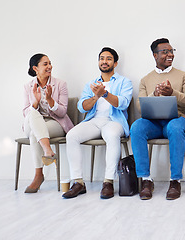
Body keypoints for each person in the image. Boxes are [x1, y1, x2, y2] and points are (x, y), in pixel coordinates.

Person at [130, 38, 185, 200]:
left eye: (171, 51)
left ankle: (175, 181)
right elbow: (139, 107)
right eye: (165, 51)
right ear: (154, 55)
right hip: (153, 123)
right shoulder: (145, 80)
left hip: (178, 120)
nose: (170, 55)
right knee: (136, 127)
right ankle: (146, 180)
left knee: (174, 128)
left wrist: (173, 93)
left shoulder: (184, 76)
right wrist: (156, 94)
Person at [62, 47, 133, 199]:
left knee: (112, 135)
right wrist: (95, 97)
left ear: (115, 63)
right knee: (72, 135)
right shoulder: (91, 84)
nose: (104, 61)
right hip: (94, 121)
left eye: (108, 58)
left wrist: (105, 94)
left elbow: (123, 104)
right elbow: (81, 107)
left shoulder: (124, 82)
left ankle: (108, 182)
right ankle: (78, 182)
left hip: (114, 121)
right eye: (102, 58)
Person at [23, 53, 74, 193]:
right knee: (32, 114)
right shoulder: (28, 86)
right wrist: (35, 102)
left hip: (54, 122)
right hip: (32, 122)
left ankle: (38, 175)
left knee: (35, 134)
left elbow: (62, 112)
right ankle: (48, 150)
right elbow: (25, 112)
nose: (49, 66)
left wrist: (51, 100)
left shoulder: (60, 84)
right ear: (35, 68)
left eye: (50, 63)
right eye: (45, 64)